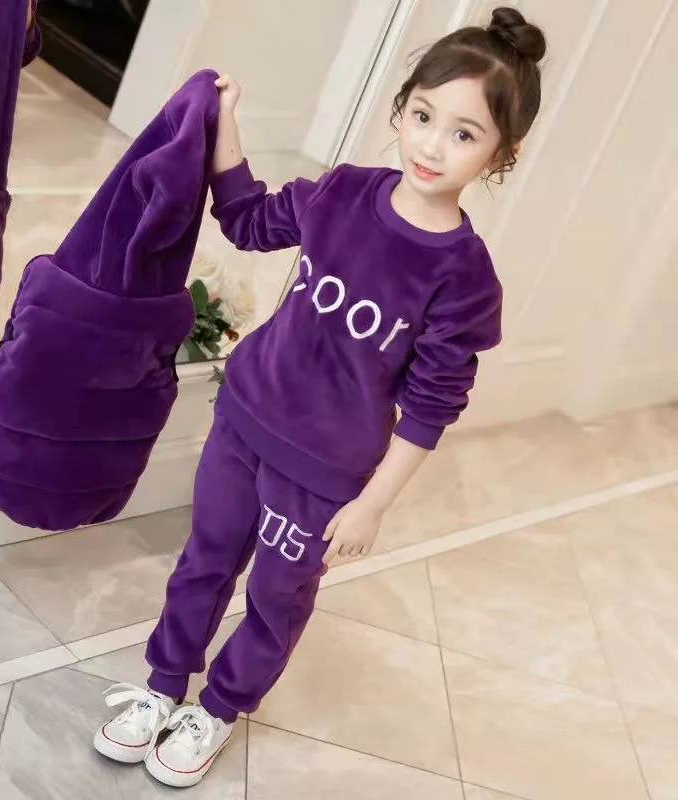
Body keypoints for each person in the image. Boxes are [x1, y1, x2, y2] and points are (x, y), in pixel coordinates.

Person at [94, 6, 547, 789]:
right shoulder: (341, 192)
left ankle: (218, 708)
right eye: (423, 116)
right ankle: (164, 686)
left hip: (326, 473)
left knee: (276, 595)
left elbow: (433, 406)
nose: (432, 145)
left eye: (464, 133)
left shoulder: (465, 279)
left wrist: (372, 505)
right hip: (243, 421)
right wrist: (225, 126)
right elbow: (246, 218)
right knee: (204, 562)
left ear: (501, 153)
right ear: (400, 109)